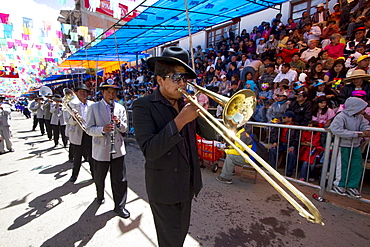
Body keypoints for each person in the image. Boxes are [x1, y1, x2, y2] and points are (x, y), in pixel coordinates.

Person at [132, 46, 215, 247]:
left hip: (187, 184)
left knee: (180, 235)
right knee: (170, 241)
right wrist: (180, 120)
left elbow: (210, 134)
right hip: (164, 188)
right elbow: (150, 150)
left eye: (184, 78)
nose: (182, 84)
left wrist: (201, 113)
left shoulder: (187, 103)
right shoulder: (143, 105)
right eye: (176, 78)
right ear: (160, 80)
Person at [86, 80, 130, 219]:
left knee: (120, 180)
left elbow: (125, 128)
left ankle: (120, 206)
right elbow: (88, 129)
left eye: (114, 93)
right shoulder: (93, 107)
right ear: (103, 93)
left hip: (117, 148)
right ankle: (100, 195)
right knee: (100, 177)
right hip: (101, 148)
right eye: (109, 92)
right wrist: (102, 129)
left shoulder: (120, 108)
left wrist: (118, 123)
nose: (112, 95)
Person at [331, 97, 370, 199]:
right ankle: (339, 184)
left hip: (356, 145)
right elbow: (335, 129)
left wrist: (366, 130)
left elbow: (365, 125)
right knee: (343, 165)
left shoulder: (360, 117)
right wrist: (356, 134)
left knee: (356, 166)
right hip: (343, 145)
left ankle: (352, 185)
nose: (363, 110)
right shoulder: (341, 116)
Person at [66, 84, 94, 183]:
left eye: (85, 91)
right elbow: (67, 120)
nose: (83, 93)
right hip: (78, 133)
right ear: (77, 93)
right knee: (77, 156)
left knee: (92, 155)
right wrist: (74, 118)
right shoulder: (71, 104)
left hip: (89, 132)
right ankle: (74, 175)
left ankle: (94, 174)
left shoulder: (92, 104)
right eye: (81, 91)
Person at [269, 111, 299, 176]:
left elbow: (297, 138)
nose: (283, 118)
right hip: (280, 143)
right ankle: (272, 169)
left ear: (290, 118)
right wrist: (274, 142)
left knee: (291, 154)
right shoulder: (280, 125)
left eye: (284, 117)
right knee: (273, 150)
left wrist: (293, 146)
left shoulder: (296, 127)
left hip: (290, 144)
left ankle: (289, 173)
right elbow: (274, 134)